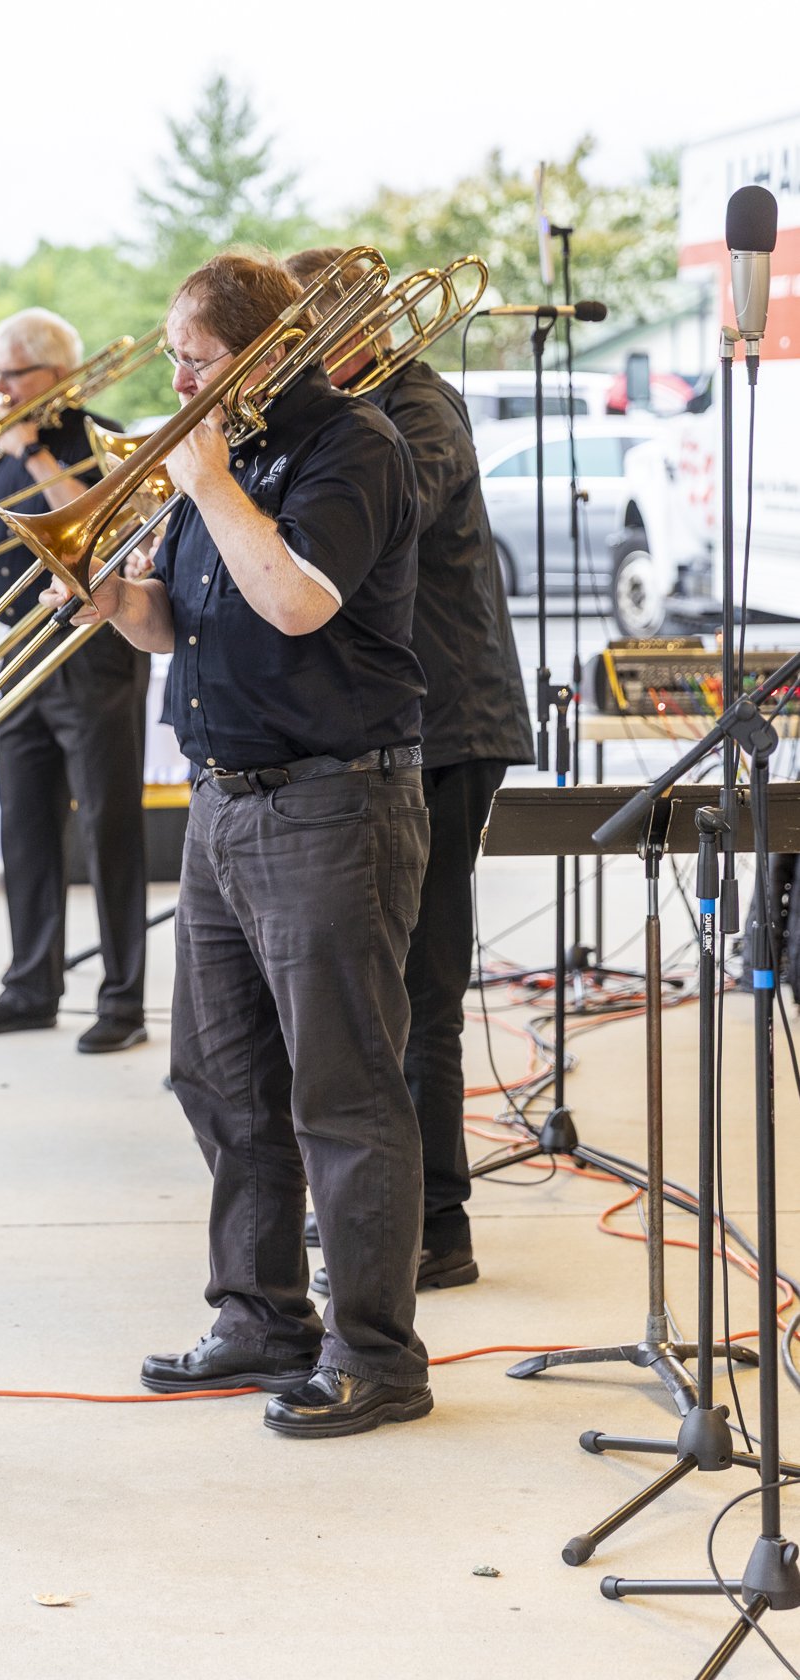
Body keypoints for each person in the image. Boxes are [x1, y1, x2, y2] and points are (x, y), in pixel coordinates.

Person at [48, 252, 433, 1438]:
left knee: (343, 1089)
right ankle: (262, 1317)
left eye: (195, 358)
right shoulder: (227, 458)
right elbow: (188, 624)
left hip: (333, 802)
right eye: (170, 354)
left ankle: (377, 1352)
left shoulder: (350, 446)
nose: (174, 378)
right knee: (216, 1073)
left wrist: (208, 481)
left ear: (264, 354)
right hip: (224, 801)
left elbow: (298, 599)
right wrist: (116, 600)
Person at [287, 248, 533, 1293]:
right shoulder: (355, 412)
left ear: (354, 333)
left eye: (294, 339)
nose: (283, 365)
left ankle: (437, 1224)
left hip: (448, 725)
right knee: (377, 987)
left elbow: (383, 517)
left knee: (421, 988)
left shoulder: (418, 410)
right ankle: (390, 1202)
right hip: (391, 727)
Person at [0, 308, 150, 1054]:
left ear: (54, 377)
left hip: (91, 645)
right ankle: (31, 986)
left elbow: (99, 528)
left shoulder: (95, 438)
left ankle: (122, 1000)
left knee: (108, 826)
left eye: (11, 374)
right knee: (22, 824)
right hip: (15, 648)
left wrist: (30, 455)